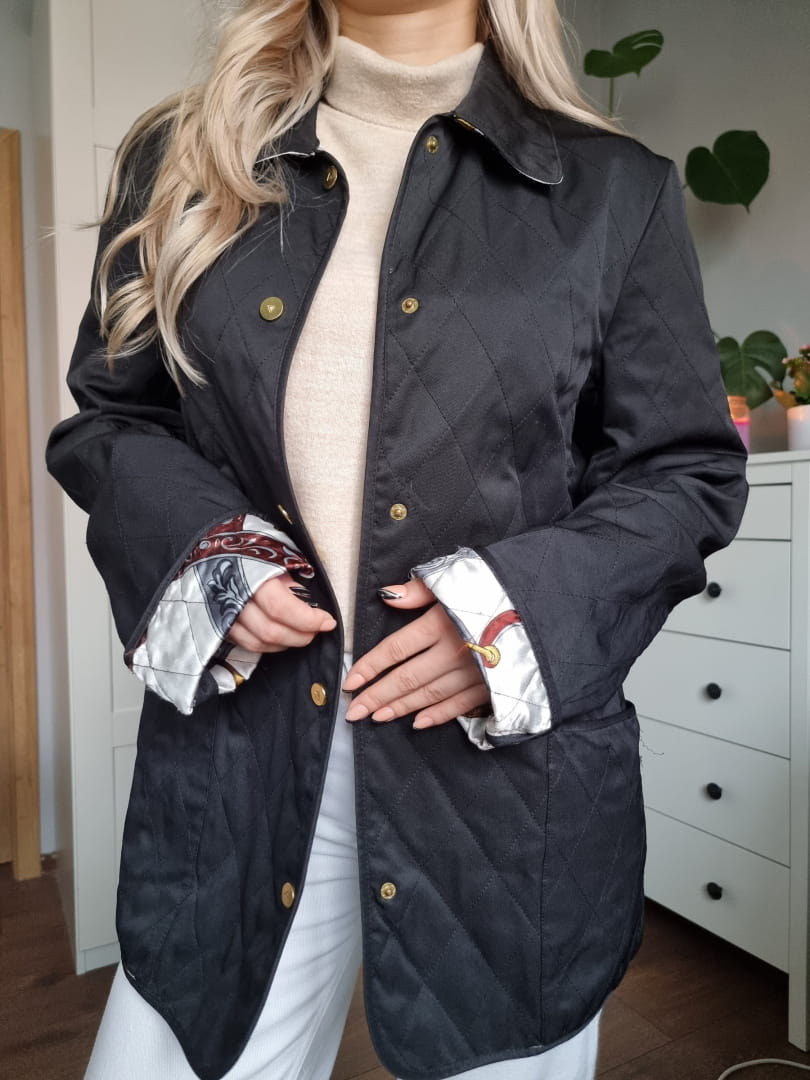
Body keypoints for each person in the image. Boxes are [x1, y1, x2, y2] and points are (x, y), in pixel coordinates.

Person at [45, 1, 749, 1078]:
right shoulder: (182, 158)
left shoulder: (615, 190)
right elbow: (111, 418)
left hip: (510, 797)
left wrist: (512, 620)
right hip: (238, 766)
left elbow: (683, 471)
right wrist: (209, 551)